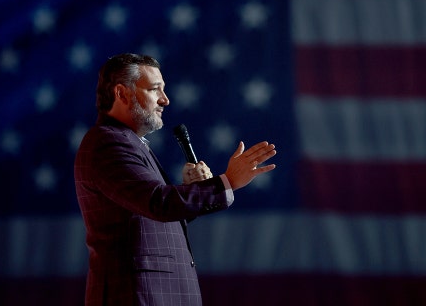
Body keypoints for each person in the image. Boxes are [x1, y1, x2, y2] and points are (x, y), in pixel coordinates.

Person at [74, 53, 277, 306]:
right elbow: (159, 203)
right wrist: (227, 181)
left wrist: (192, 190)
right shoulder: (108, 143)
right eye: (154, 89)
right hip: (137, 296)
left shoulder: (129, 142)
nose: (165, 100)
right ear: (122, 93)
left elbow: (154, 216)